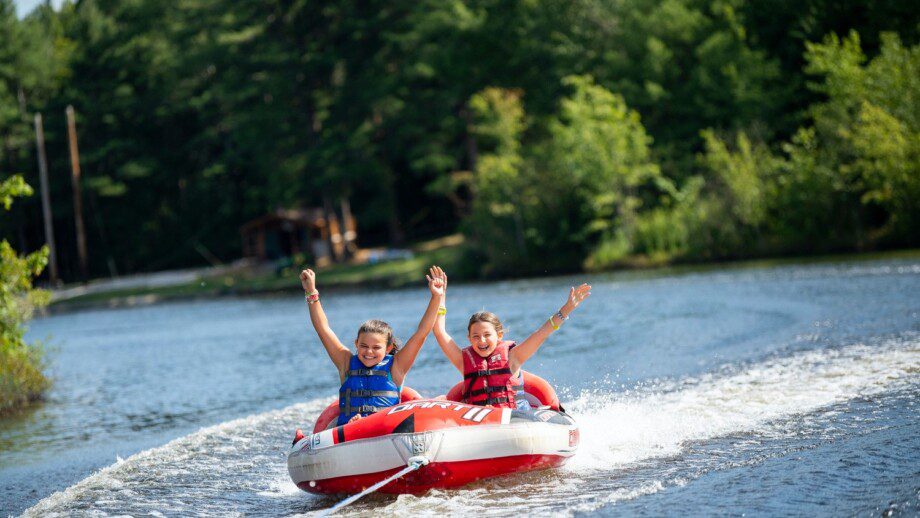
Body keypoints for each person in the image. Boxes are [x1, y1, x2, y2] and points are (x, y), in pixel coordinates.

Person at [429, 266, 591, 409]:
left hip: (516, 419)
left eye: (487, 335)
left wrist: (567, 309)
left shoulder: (513, 356)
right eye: (476, 336)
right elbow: (439, 332)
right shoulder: (464, 361)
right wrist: (440, 297)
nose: (482, 340)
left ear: (499, 336)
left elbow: (542, 333)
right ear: (469, 338)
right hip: (478, 425)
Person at [300, 266, 444, 425]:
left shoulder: (396, 366)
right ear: (356, 344)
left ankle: (361, 423)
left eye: (376, 347)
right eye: (363, 346)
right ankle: (355, 424)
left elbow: (421, 334)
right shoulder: (346, 362)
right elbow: (323, 329)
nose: (369, 352)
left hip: (384, 431)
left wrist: (436, 297)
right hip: (349, 432)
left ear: (388, 348)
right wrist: (311, 292)